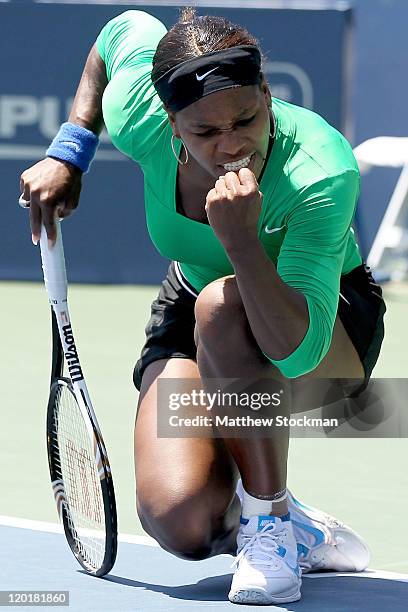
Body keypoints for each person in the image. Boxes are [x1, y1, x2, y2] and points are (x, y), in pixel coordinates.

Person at [20, 8, 386, 605]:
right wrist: (71, 147)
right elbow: (120, 32)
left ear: (268, 93)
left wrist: (241, 241)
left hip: (322, 330)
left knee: (224, 304)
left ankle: (268, 525)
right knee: (182, 522)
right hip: (192, 305)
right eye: (204, 132)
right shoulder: (139, 116)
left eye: (247, 118)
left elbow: (297, 355)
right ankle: (296, 523)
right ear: (168, 122)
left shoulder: (321, 170)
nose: (231, 144)